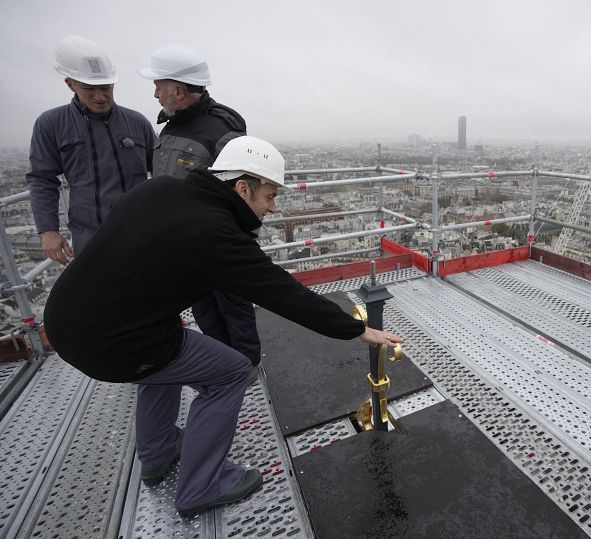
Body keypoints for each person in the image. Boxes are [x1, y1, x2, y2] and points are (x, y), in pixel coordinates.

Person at [43, 135, 401, 517]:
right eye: (269, 196)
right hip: (113, 344)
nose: (273, 208)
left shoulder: (160, 189)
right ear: (242, 187)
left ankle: (158, 451)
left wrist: (154, 307)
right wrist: (355, 329)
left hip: (66, 316)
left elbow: (128, 250)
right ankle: (201, 486)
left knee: (165, 354)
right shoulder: (219, 237)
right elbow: (283, 294)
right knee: (230, 371)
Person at [139, 44, 262, 371]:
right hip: (183, 244)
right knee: (205, 309)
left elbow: (242, 191)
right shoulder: (173, 126)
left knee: (234, 307)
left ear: (177, 90)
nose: (155, 94)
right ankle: (224, 363)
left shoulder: (220, 129)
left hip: (216, 243)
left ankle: (246, 367)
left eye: (159, 86)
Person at [27, 35, 155, 263]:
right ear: (70, 84)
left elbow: (161, 171)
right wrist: (48, 230)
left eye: (106, 88)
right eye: (89, 88)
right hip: (89, 237)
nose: (100, 97)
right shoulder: (51, 124)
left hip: (142, 231)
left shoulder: (138, 122)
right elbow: (42, 179)